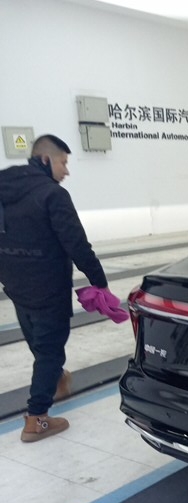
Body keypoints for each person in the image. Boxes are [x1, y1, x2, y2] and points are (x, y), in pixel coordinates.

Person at [0, 134, 112, 442]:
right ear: (46, 159)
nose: (67, 171)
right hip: (49, 289)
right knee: (49, 350)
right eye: (63, 163)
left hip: (16, 287)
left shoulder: (4, 188)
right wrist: (99, 281)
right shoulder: (53, 195)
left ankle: (58, 378)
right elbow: (76, 243)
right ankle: (36, 419)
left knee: (40, 343)